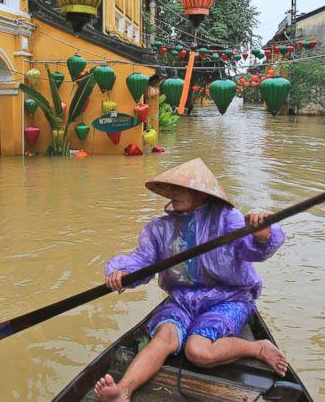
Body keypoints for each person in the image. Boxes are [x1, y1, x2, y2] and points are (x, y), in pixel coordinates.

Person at [94, 158, 288, 402]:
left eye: (180, 189)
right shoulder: (160, 228)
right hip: (183, 299)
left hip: (228, 298)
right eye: (171, 188)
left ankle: (257, 347)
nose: (173, 194)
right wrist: (121, 273)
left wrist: (262, 235)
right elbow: (143, 261)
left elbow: (254, 250)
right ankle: (123, 390)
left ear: (201, 194)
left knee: (197, 350)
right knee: (163, 336)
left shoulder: (227, 220)